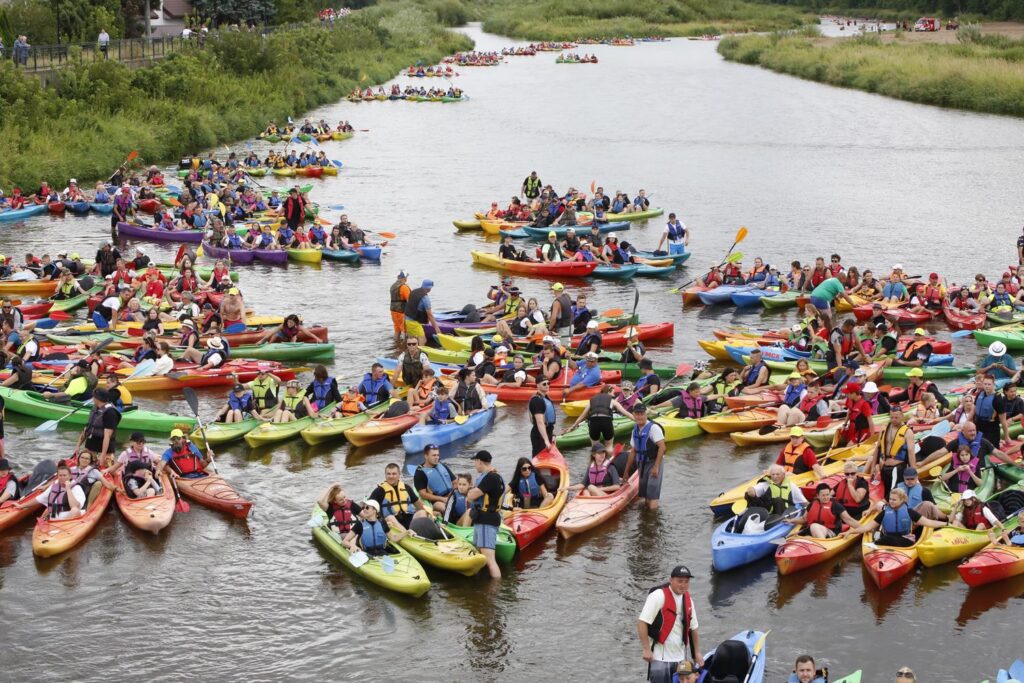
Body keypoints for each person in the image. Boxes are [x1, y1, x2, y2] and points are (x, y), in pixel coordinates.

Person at [637, 565, 702, 683]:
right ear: (671, 580)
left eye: (686, 582)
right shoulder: (658, 596)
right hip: (659, 659)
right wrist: (646, 649)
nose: (683, 585)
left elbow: (693, 628)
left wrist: (696, 653)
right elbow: (642, 622)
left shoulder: (688, 600)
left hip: (681, 659)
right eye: (680, 581)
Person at [844, 488, 947, 546]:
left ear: (902, 500)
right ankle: (877, 544)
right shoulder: (885, 513)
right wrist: (851, 532)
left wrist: (946, 524)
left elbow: (929, 523)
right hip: (889, 540)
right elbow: (867, 527)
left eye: (894, 500)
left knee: (887, 538)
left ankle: (875, 544)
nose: (891, 502)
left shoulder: (909, 512)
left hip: (905, 541)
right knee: (887, 538)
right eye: (890, 499)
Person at [465, 450, 504, 578]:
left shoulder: (490, 478)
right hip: (483, 519)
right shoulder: (495, 476)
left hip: (486, 521)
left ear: (479, 461)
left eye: (475, 461)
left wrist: (470, 493)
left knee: (490, 560)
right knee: (479, 553)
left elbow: (471, 496)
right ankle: (480, 580)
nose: (475, 465)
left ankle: (496, 587)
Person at [564, 384, 634, 452]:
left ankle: (594, 459)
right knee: (609, 446)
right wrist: (636, 420)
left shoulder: (592, 400)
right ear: (608, 392)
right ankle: (609, 459)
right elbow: (626, 413)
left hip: (593, 422)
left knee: (595, 448)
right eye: (613, 393)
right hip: (606, 421)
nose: (613, 395)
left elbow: (583, 415)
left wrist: (573, 426)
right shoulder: (612, 401)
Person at [622, 404, 666, 510]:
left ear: (646, 414)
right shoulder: (635, 430)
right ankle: (647, 514)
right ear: (633, 415)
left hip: (654, 462)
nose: (639, 416)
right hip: (641, 463)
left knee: (652, 493)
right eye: (637, 414)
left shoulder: (653, 428)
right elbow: (633, 451)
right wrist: (626, 471)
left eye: (641, 414)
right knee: (645, 493)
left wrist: (656, 467)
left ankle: (652, 515)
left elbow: (662, 447)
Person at [368, 463, 429, 530]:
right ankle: (406, 533)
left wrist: (430, 514)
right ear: (385, 475)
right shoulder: (379, 491)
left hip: (410, 521)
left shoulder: (406, 488)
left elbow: (420, 506)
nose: (391, 476)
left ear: (399, 474)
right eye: (388, 474)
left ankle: (418, 532)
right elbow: (368, 508)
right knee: (390, 517)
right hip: (392, 524)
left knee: (422, 512)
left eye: (394, 474)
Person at [792, 482, 861, 539]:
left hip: (830, 532)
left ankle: (822, 545)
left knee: (814, 526)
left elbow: (849, 520)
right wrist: (791, 520)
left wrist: (862, 528)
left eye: (827, 495)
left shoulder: (835, 505)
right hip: (813, 530)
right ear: (818, 496)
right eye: (823, 495)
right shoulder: (812, 504)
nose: (826, 497)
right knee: (792, 535)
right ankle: (810, 538)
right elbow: (804, 519)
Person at [342, 499, 407, 557]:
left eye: (367, 507)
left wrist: (407, 532)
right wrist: (352, 546)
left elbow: (393, 539)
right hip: (366, 556)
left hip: (383, 555)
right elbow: (345, 541)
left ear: (374, 510)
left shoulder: (382, 523)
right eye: (363, 507)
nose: (364, 509)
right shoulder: (359, 525)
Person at [73, 389, 120, 464]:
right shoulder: (95, 408)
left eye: (93, 397)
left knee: (104, 468)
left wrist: (103, 455)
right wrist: (78, 446)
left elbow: (107, 436)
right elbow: (87, 428)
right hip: (90, 446)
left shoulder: (110, 413)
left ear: (98, 398)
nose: (92, 398)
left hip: (104, 450)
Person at [744, 464, 809, 515]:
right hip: (769, 513)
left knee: (778, 500)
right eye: (773, 474)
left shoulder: (791, 486)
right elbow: (754, 489)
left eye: (778, 474)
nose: (775, 477)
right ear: (770, 475)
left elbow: (803, 502)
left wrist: (810, 509)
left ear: (783, 475)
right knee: (748, 495)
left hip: (786, 512)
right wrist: (751, 491)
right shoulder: (765, 484)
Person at [414, 445, 456, 514]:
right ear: (426, 456)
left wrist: (452, 493)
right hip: (436, 501)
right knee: (447, 509)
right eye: (434, 455)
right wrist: (442, 499)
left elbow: (455, 482)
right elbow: (423, 494)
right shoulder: (420, 472)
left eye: (437, 455)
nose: (436, 457)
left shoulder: (442, 465)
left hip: (451, 494)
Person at [528, 379, 557, 455]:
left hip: (548, 432)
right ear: (538, 385)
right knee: (539, 456)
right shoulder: (537, 401)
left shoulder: (546, 398)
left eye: (548, 383)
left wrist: (553, 434)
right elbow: (540, 422)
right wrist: (546, 440)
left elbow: (550, 422)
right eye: (544, 384)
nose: (547, 385)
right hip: (539, 435)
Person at [389, 270, 411, 339]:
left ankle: (396, 343)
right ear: (404, 278)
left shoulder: (392, 286)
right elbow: (410, 301)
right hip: (401, 312)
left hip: (393, 311)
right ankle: (405, 344)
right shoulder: (404, 287)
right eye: (406, 277)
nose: (406, 278)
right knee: (405, 331)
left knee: (397, 329)